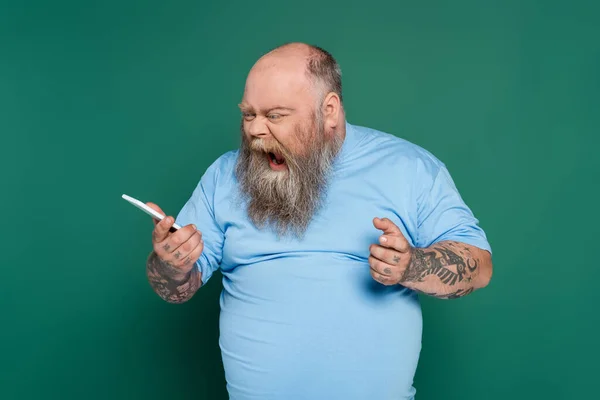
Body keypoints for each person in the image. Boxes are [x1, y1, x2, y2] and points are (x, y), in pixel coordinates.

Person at [145, 42, 493, 400]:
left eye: (275, 115)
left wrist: (411, 266)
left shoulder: (410, 169)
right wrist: (172, 265)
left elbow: (479, 266)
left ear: (329, 110)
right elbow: (175, 289)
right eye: (248, 115)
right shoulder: (224, 176)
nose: (255, 131)